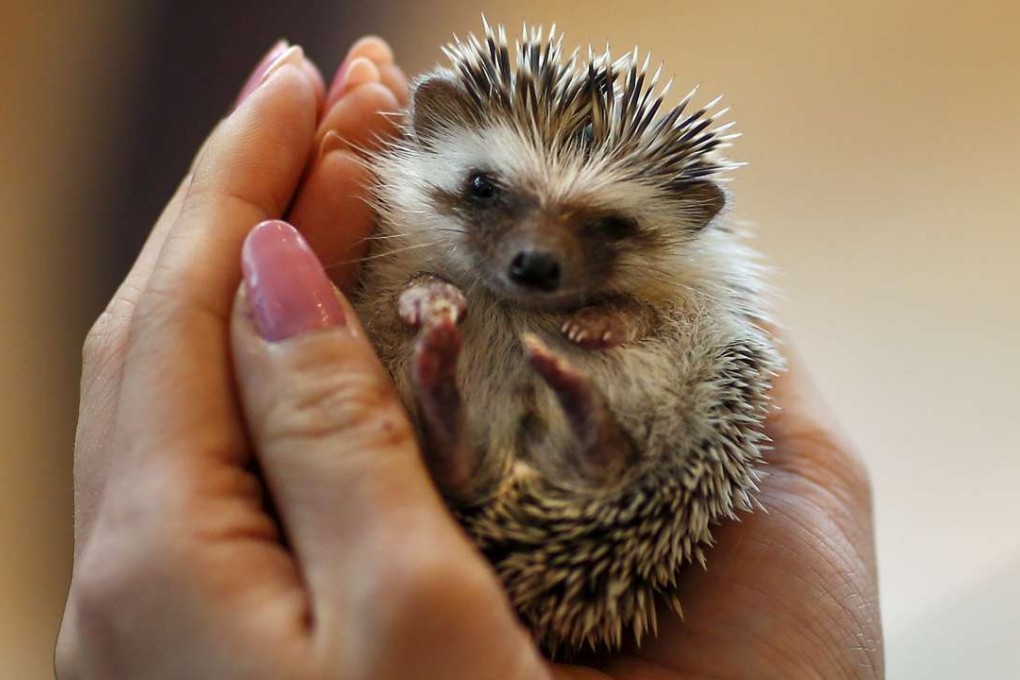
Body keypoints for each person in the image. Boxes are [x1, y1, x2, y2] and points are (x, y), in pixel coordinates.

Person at [55, 37, 883, 678]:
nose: (534, 254)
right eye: (489, 194)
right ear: (432, 136)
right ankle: (509, 418)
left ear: (689, 226)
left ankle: (542, 426)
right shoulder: (409, 230)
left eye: (605, 227)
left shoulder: (684, 299)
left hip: (590, 465)